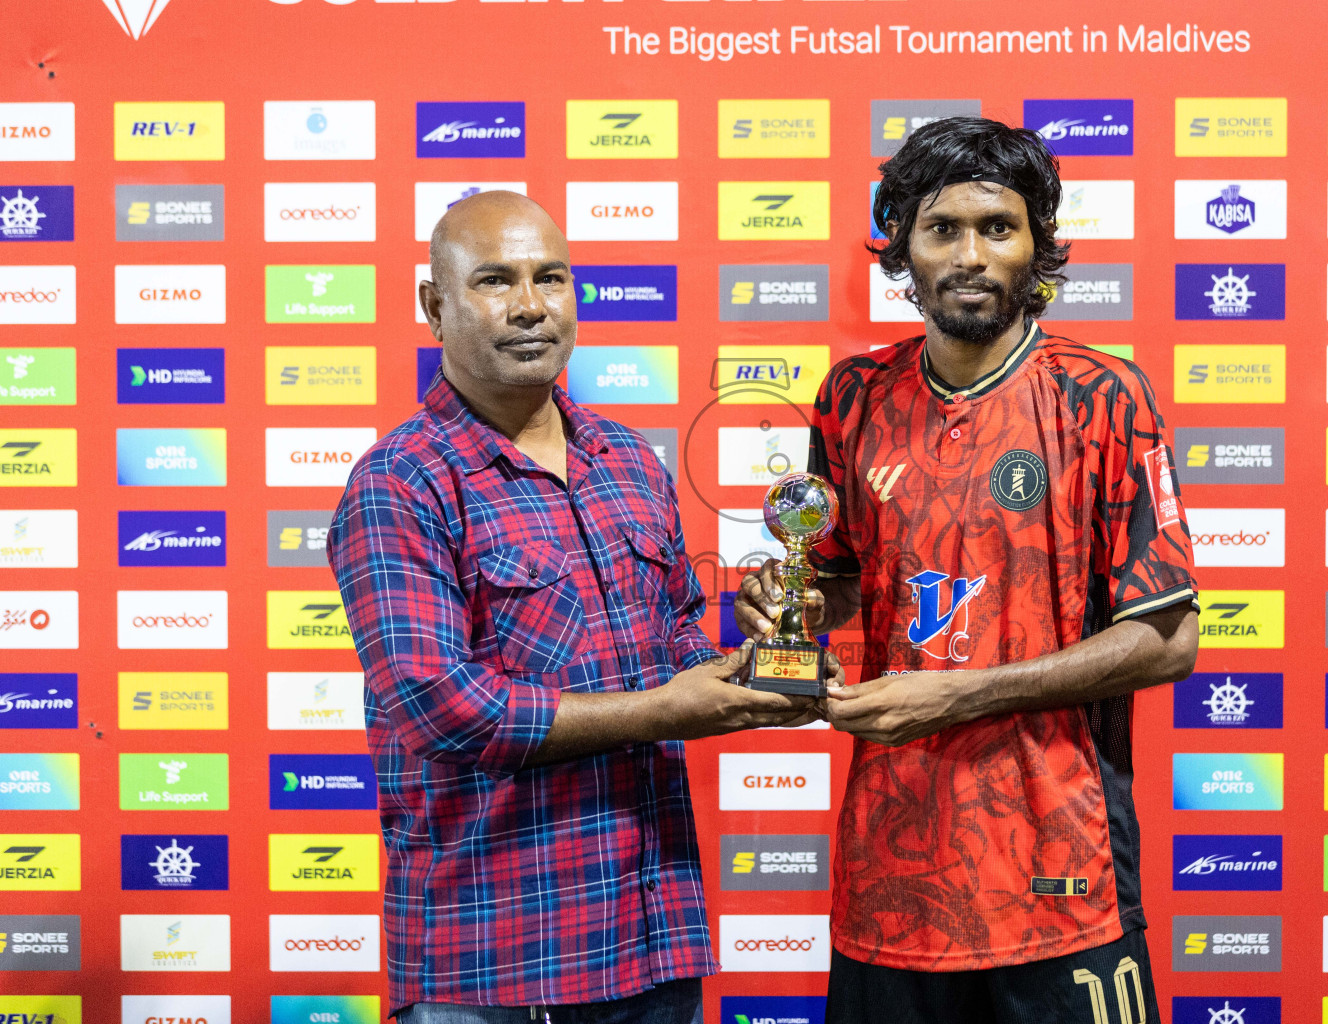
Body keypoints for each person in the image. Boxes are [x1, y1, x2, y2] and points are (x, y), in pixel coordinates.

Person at [735, 117, 1199, 1024]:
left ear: (1039, 246)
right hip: (889, 872)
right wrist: (786, 603)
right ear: (903, 245)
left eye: (998, 227)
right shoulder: (852, 395)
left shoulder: (1104, 395)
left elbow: (1168, 638)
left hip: (1060, 871)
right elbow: (839, 580)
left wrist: (958, 695)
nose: (971, 254)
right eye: (942, 228)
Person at [328, 190, 828, 1024]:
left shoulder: (629, 460)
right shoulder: (401, 482)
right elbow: (444, 710)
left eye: (549, 277)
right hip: (493, 965)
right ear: (433, 306)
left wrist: (754, 669)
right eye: (494, 280)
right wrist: (665, 709)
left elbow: (670, 640)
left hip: (653, 942)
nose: (530, 305)